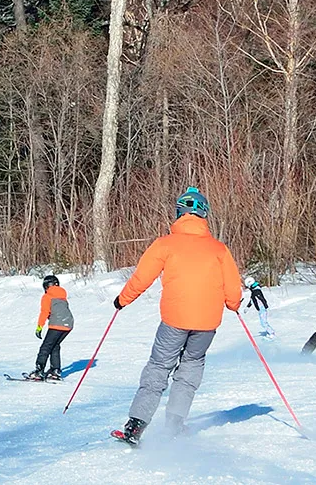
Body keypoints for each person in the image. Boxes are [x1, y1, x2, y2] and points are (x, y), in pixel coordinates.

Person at [111, 187, 242, 446]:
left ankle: (136, 426)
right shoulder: (219, 249)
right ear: (204, 216)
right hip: (206, 325)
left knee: (159, 367)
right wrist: (234, 304)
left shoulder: (165, 244)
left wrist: (122, 300)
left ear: (179, 213)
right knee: (190, 369)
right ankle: (174, 425)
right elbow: (233, 291)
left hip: (174, 321)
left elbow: (142, 278)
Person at [31, 275, 73, 381]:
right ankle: (55, 370)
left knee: (45, 347)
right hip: (69, 324)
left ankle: (39, 371)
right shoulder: (62, 296)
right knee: (55, 346)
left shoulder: (47, 296)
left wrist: (39, 327)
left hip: (57, 324)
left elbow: (45, 312)